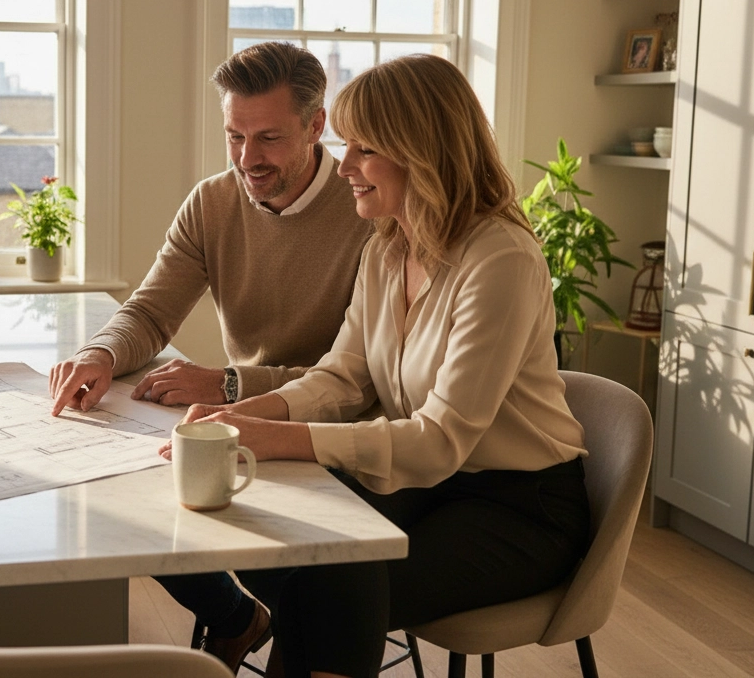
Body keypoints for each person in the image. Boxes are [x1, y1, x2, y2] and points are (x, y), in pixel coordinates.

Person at [169, 54, 593, 678]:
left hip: (519, 508)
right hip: (431, 487)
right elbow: (341, 378)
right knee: (292, 548)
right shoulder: (389, 250)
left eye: (363, 150)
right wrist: (239, 417)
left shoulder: (500, 258)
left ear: (421, 151)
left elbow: (442, 440)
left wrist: (280, 438)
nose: (343, 167)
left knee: (333, 583)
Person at [48, 42, 373, 670]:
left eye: (269, 139)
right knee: (108, 493)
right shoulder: (212, 202)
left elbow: (360, 379)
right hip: (244, 427)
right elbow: (147, 312)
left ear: (315, 125)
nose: (247, 158)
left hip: (330, 434)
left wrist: (230, 383)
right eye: (234, 136)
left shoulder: (365, 211)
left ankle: (287, 623)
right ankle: (234, 615)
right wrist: (101, 354)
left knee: (311, 586)